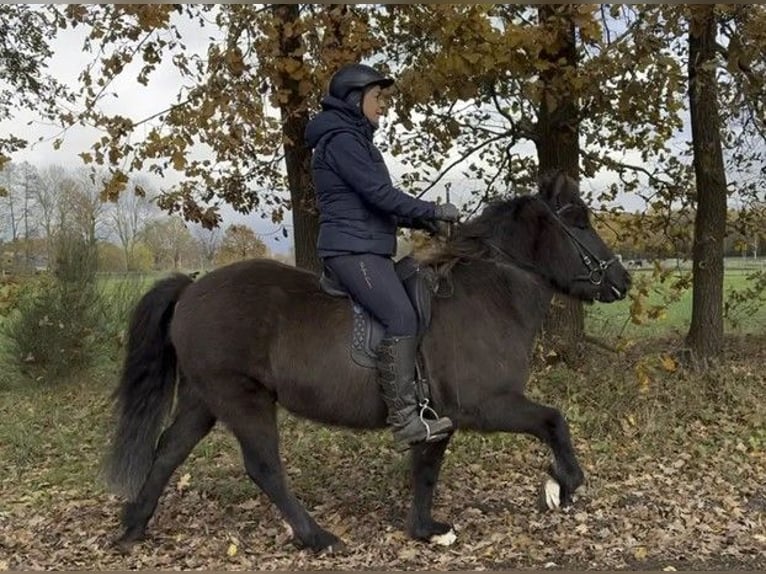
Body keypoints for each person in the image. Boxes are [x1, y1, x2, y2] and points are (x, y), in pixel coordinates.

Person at [304, 63, 460, 449]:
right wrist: (432, 210)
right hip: (351, 250)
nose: (384, 107)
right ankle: (405, 420)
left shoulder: (356, 141)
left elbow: (380, 204)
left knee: (422, 282)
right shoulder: (342, 141)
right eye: (378, 98)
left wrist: (424, 223)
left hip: (369, 246)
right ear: (356, 100)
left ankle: (423, 392)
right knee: (401, 316)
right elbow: (379, 195)